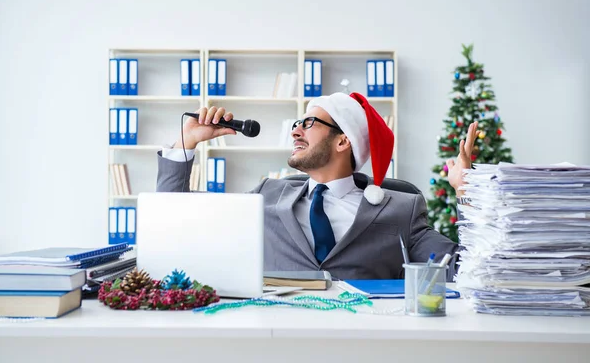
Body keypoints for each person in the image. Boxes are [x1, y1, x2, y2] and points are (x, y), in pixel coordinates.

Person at [156, 92, 478, 280]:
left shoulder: (400, 210)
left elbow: (466, 269)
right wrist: (186, 142)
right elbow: (175, 217)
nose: (296, 131)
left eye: (308, 123)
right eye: (297, 123)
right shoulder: (266, 195)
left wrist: (466, 193)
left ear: (342, 141)